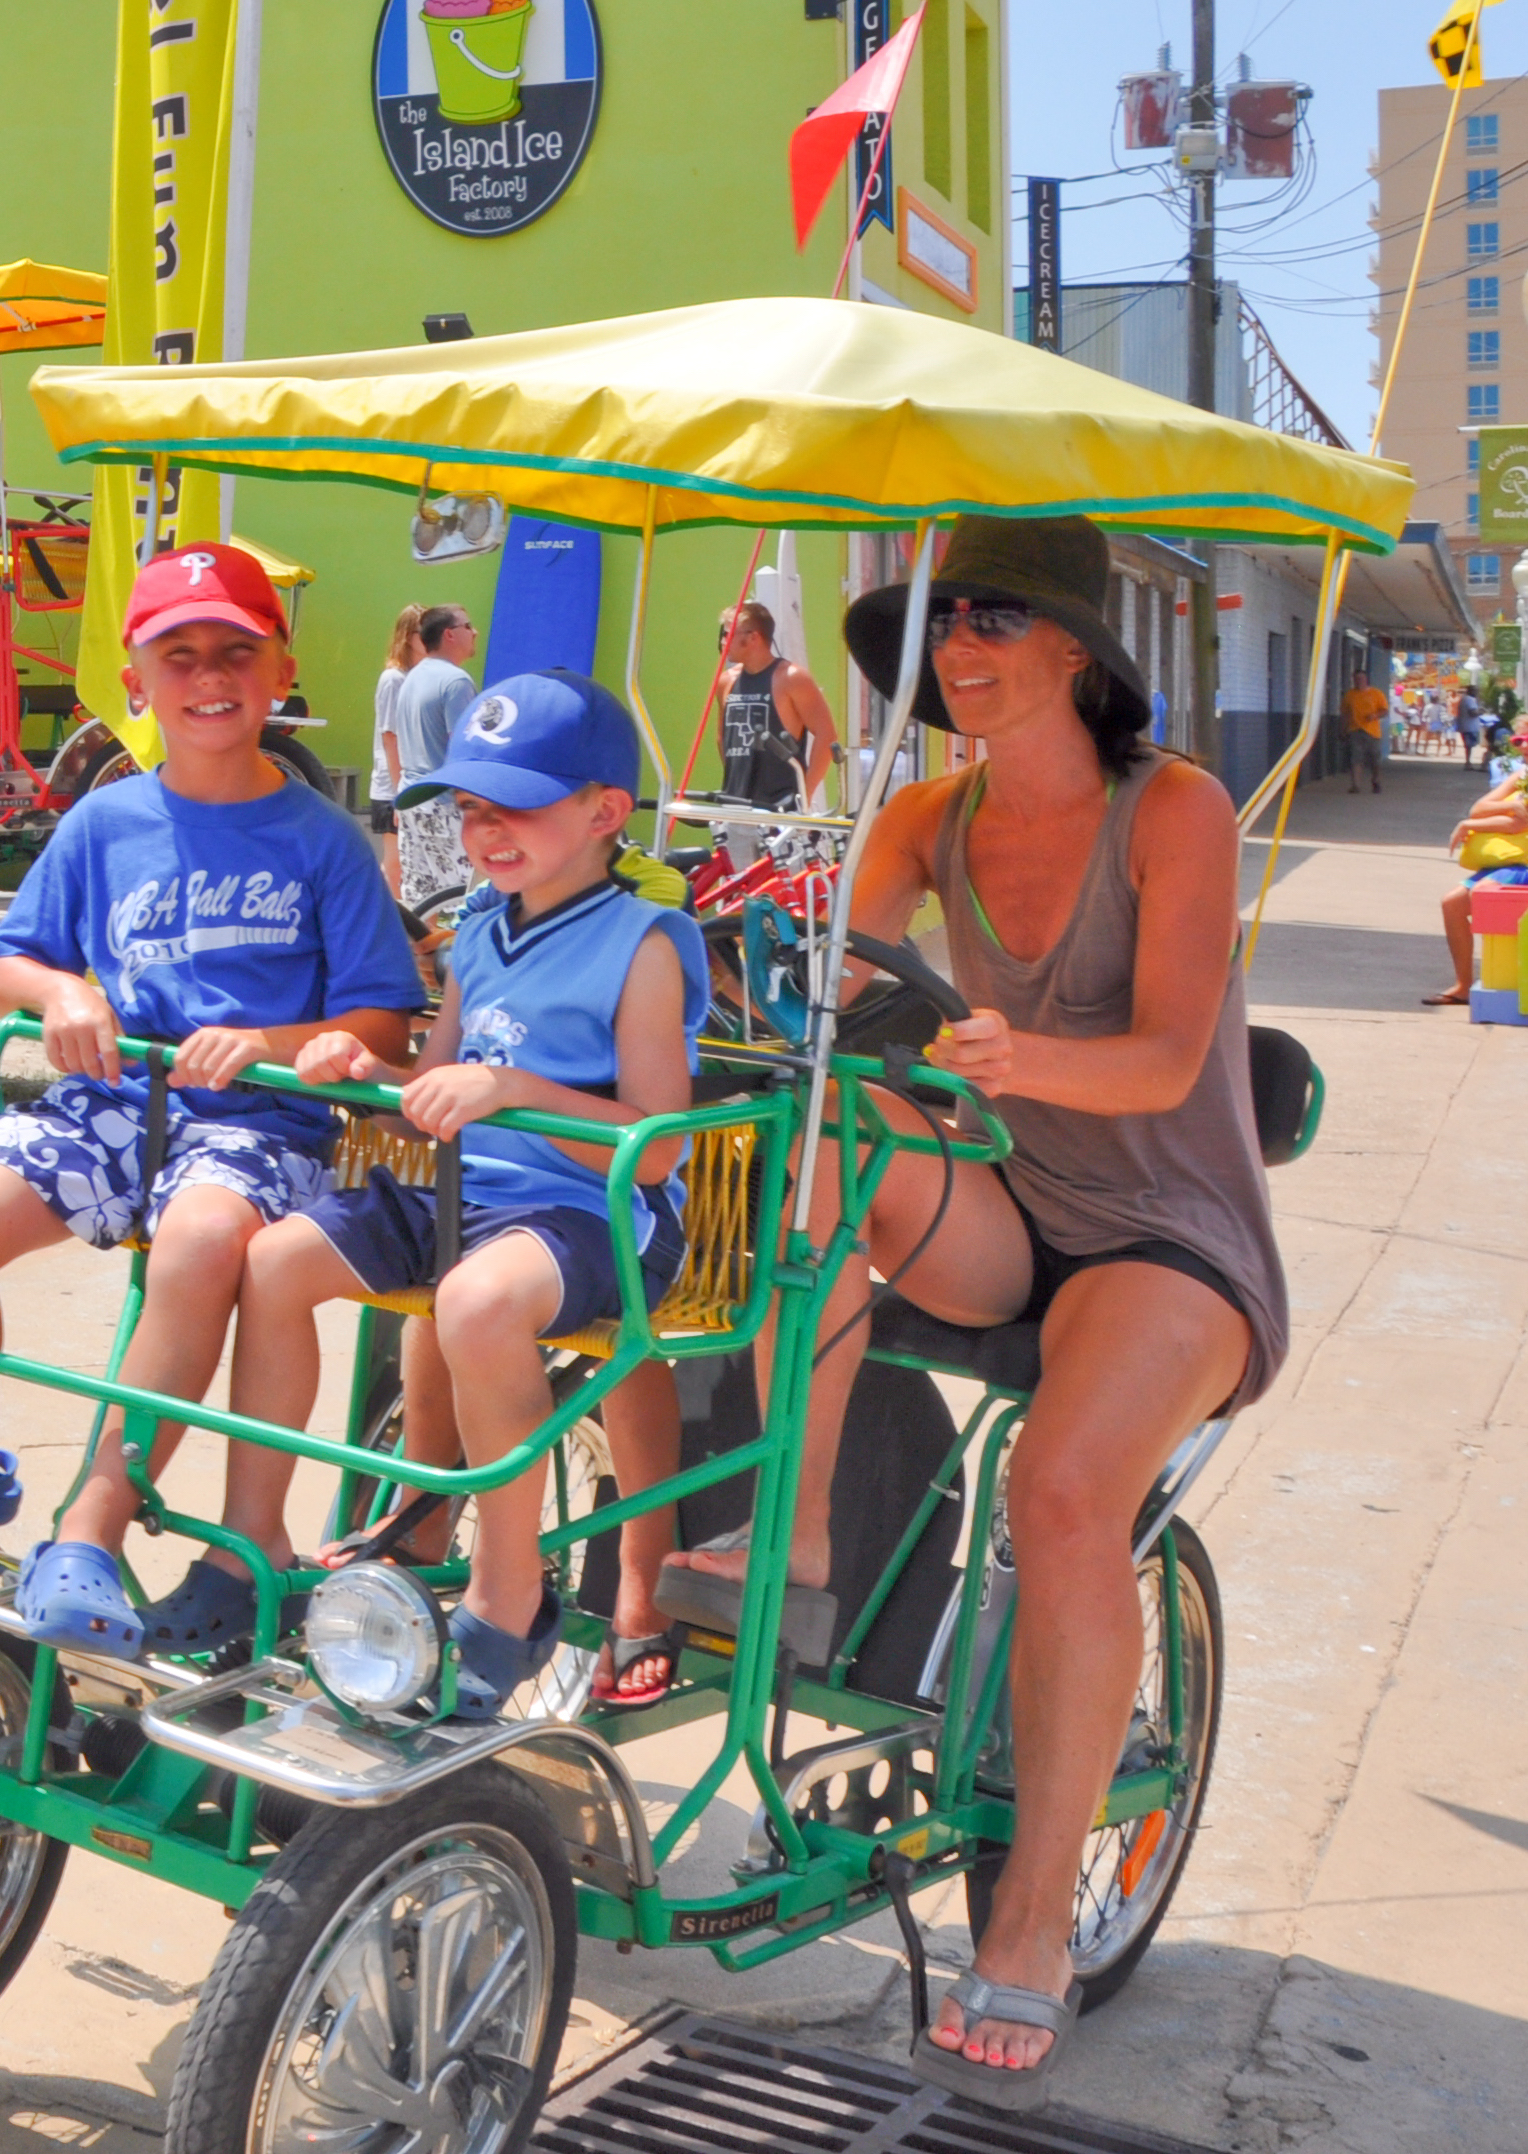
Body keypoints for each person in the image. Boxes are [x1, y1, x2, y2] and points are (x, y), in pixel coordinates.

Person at [665, 515, 1287, 2109]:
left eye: (991, 616)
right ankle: (789, 1533)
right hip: (1006, 1198)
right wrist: (715, 959)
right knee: (810, 1136)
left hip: (1164, 1228)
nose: (953, 648)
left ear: (1075, 649)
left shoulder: (1178, 808)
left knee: (1059, 1495)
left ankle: (1032, 1914)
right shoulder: (926, 809)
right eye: (939, 621)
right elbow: (829, 972)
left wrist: (1009, 1058)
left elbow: (1159, 1058)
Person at [0, 544, 425, 1657]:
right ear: (136, 679)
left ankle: (89, 1526)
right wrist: (60, 993)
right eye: (179, 654)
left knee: (201, 1242)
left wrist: (271, 1042)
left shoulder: (322, 842)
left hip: (259, 1120)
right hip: (113, 1102)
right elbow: (7, 964)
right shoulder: (103, 826)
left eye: (235, 652)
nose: (209, 677)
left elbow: (384, 1022)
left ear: (279, 668)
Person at [223, 670, 710, 1717]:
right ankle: (250, 1542)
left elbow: (656, 1149)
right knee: (270, 1259)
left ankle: (509, 1591)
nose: (487, 831)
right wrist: (362, 1074)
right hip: (466, 1194)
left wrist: (512, 1089)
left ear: (603, 814)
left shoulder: (644, 944)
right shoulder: (483, 929)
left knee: (475, 1300)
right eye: (472, 809)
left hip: (591, 1212)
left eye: (516, 807)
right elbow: (425, 1098)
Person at [715, 600, 837, 861]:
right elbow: (722, 738)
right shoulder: (727, 681)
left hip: (781, 812)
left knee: (783, 895)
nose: (723, 642)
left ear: (753, 638)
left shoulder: (791, 678)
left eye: (727, 634)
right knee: (742, 896)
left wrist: (805, 795)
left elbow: (827, 737)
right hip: (737, 811)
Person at [394, 603, 481, 911]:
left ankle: (420, 960)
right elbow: (465, 748)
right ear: (450, 635)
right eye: (468, 626)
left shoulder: (412, 677)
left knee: (422, 901)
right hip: (444, 805)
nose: (475, 633)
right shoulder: (456, 682)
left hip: (411, 800)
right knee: (467, 899)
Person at [1423, 760, 1528, 1006]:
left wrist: (1468, 825)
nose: (1523, 745)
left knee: (1482, 895)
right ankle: (1463, 986)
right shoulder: (1522, 775)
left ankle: (1503, 977)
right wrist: (1512, 805)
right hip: (1503, 862)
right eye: (1519, 740)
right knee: (1452, 904)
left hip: (1522, 863)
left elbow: (1518, 824)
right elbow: (1478, 808)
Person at [369, 604, 423, 897]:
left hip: (406, 782)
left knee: (404, 860)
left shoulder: (416, 677)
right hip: (392, 785)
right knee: (396, 863)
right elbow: (390, 737)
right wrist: (401, 787)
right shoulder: (394, 679)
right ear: (408, 636)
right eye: (423, 632)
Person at [1341, 668, 1386, 795]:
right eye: (1356, 679)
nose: (1359, 681)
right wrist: (1343, 730)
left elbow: (1384, 711)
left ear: (1366, 679)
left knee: (1375, 760)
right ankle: (1356, 785)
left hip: (1373, 732)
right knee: (1356, 759)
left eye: (1361, 678)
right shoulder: (1349, 695)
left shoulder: (1376, 693)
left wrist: (1375, 715)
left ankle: (1376, 780)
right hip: (1355, 730)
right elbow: (1345, 714)